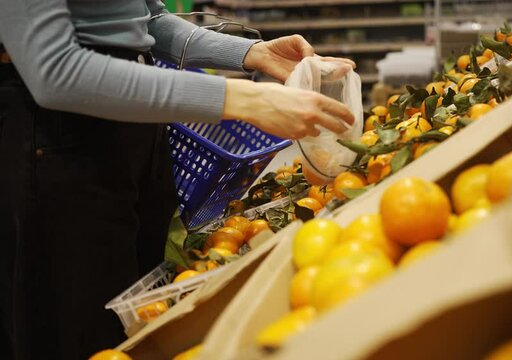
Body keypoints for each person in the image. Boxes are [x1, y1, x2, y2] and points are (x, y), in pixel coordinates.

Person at [0, 1, 356, 359]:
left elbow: (147, 19)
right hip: (64, 140)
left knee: (143, 324)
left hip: (133, 119)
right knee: (85, 333)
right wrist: (240, 98)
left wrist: (251, 52)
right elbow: (55, 72)